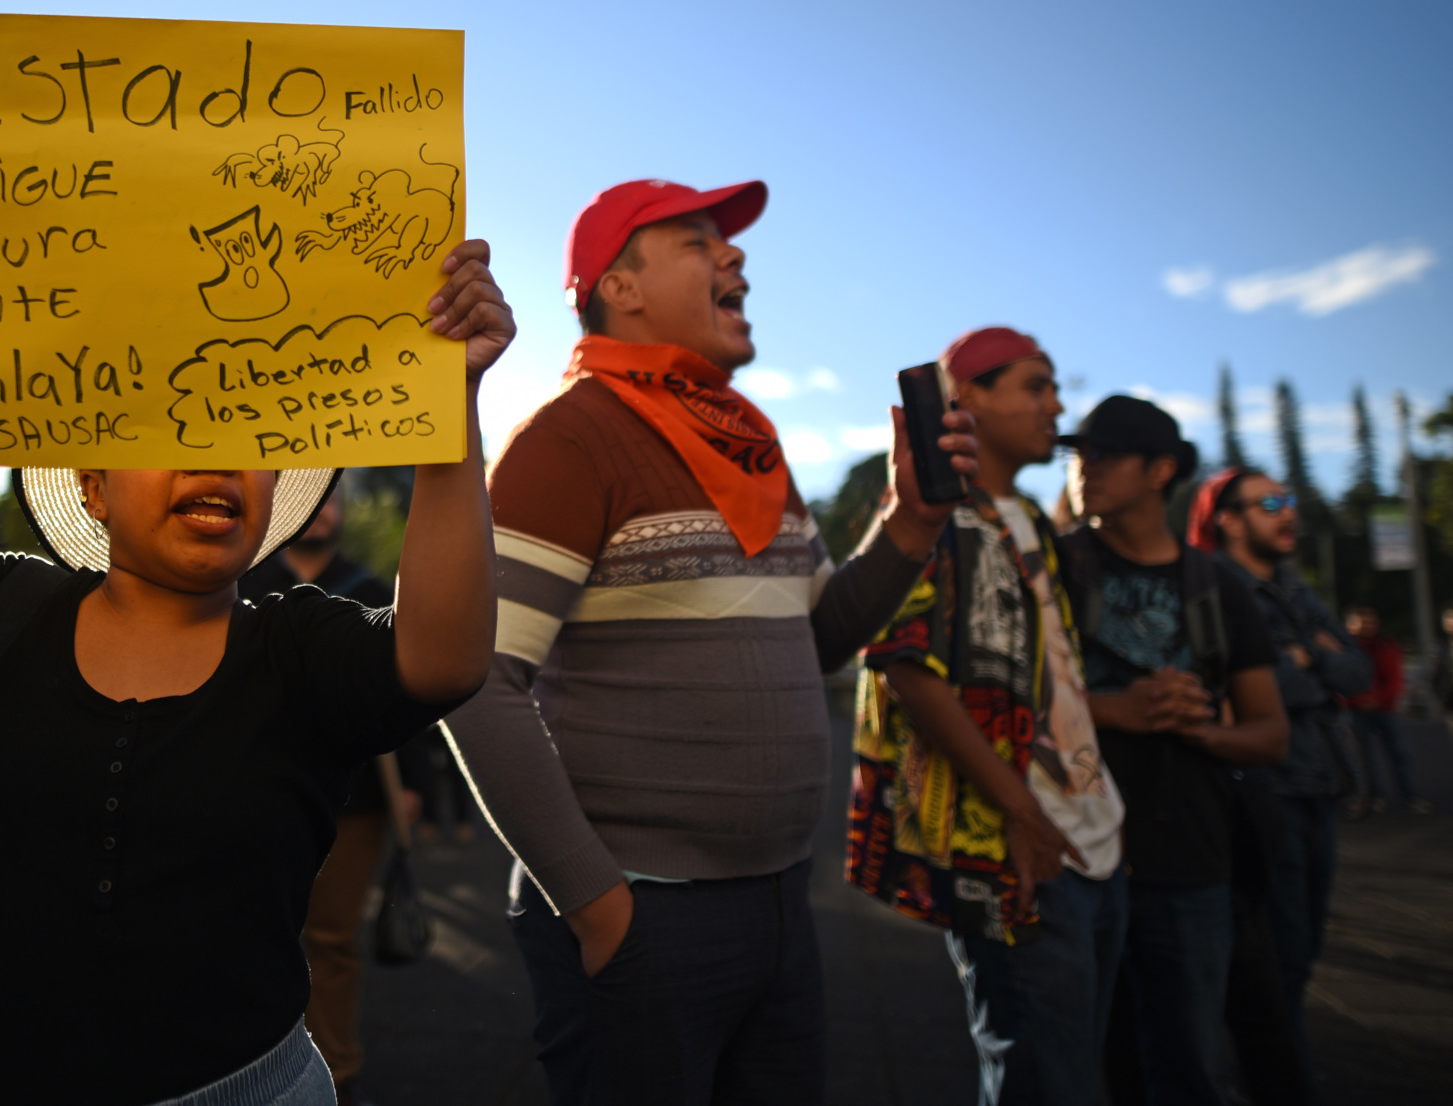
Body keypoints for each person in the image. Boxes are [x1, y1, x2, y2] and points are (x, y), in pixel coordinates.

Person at [0, 156, 513, 1106]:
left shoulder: (298, 651)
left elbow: (445, 658)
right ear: (92, 486)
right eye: (175, 428)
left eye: (252, 440)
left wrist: (451, 403)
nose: (218, 456)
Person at [443, 178, 978, 1105]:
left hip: (779, 904)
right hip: (640, 914)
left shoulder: (751, 450)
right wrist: (597, 904)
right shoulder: (570, 437)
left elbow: (819, 640)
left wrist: (910, 522)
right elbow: (474, 678)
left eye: (724, 243)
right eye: (696, 241)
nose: (733, 256)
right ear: (622, 286)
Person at [849, 327, 1126, 1106]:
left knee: (1073, 1065)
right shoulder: (935, 508)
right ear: (966, 396)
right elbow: (905, 667)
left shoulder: (1030, 516)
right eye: (1036, 385)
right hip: (1014, 844)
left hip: (1089, 831)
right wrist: (1021, 810)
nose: (1056, 404)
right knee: (1044, 1077)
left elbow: (1049, 679)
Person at [1055, 396, 1286, 1106]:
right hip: (1076, 860)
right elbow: (1002, 707)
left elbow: (1269, 731)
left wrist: (1200, 729)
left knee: (1185, 1067)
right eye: (1080, 453)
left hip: (1191, 866)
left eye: (1106, 454)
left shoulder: (1217, 587)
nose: (1085, 467)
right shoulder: (1053, 571)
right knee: (1082, 1068)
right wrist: (1112, 709)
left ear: (1160, 471)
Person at [239, 486, 428, 1106]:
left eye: (332, 502)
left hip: (357, 800)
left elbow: (418, 691)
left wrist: (417, 787)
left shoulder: (373, 589)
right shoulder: (242, 579)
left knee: (332, 940)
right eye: (313, 501)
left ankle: (338, 1069)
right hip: (253, 790)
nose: (323, 511)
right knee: (244, 934)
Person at [1187, 469, 1369, 1089]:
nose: (1287, 512)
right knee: (1278, 961)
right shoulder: (1218, 586)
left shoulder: (1296, 589)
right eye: (1269, 503)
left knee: (1301, 955)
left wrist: (1306, 658)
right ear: (1228, 520)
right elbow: (1253, 688)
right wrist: (1302, 665)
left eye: (1288, 500)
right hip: (1267, 791)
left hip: (1321, 788)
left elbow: (1357, 672)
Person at [1342, 606, 1427, 817]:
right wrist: (1358, 701)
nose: (1367, 627)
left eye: (1370, 622)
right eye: (1362, 622)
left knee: (1399, 753)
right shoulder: (1346, 648)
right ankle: (1375, 796)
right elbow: (1341, 680)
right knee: (1365, 758)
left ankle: (1409, 796)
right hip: (1359, 709)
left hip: (1384, 709)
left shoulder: (1386, 645)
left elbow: (1395, 679)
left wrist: (1377, 700)